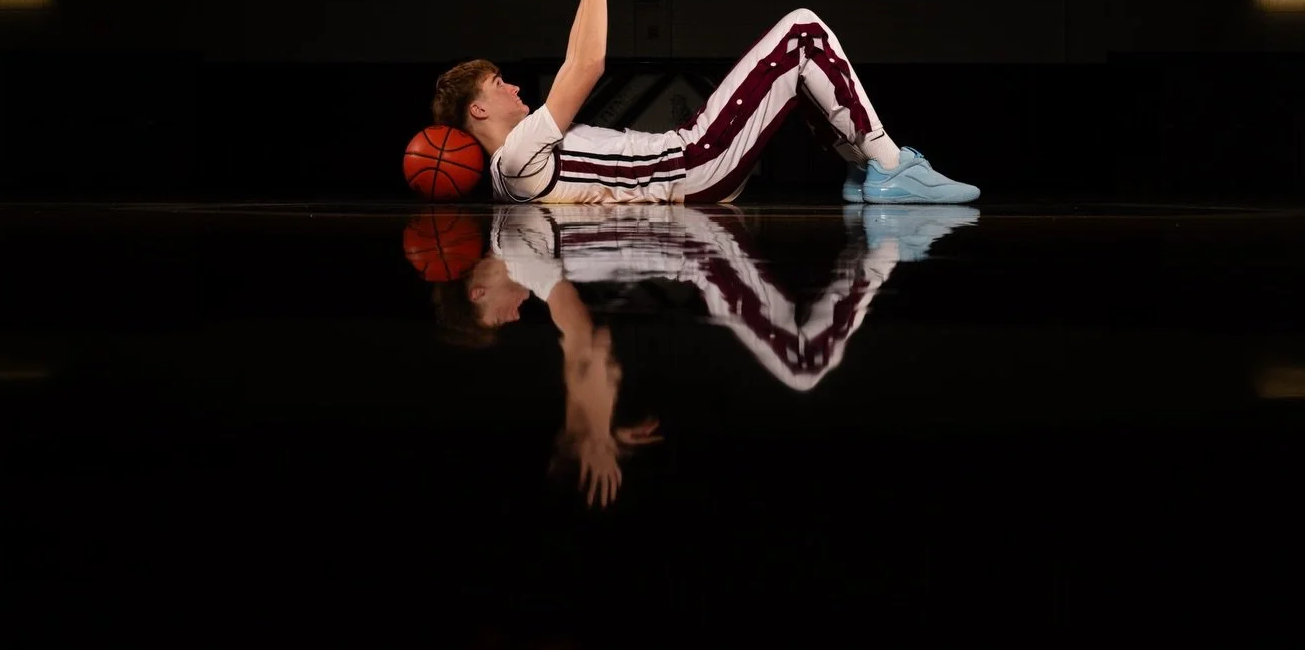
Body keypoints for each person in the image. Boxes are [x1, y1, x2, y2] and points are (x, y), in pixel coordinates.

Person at [410, 202, 982, 505]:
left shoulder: (522, 254)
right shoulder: (523, 254)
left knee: (805, 370)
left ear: (477, 293)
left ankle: (875, 260)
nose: (513, 319)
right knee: (802, 367)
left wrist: (589, 431)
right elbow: (586, 349)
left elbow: (587, 348)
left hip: (692, 253)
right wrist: (586, 429)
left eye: (496, 318)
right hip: (683, 262)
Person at [431, 0, 980, 205]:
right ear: (477, 110)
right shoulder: (517, 152)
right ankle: (887, 166)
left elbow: (575, 68)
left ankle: (866, 173)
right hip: (693, 163)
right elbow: (586, 64)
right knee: (803, 32)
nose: (513, 86)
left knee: (794, 68)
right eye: (498, 85)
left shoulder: (509, 177)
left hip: (689, 167)